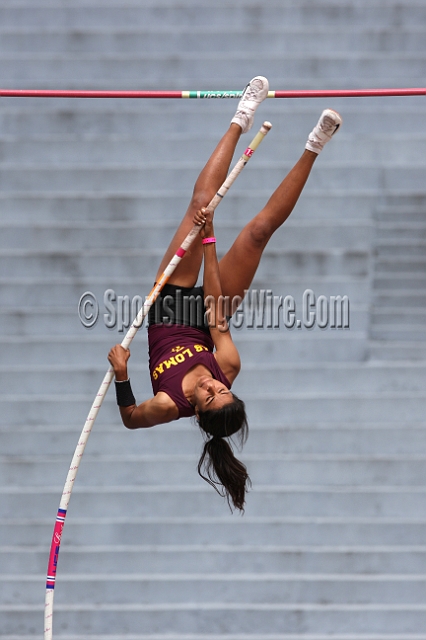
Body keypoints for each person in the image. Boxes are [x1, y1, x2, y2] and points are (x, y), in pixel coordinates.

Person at [108, 76, 342, 511]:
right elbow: (216, 312)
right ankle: (315, 143)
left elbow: (129, 420)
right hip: (208, 316)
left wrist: (122, 376)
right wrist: (210, 241)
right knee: (255, 234)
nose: (216, 385)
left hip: (169, 309)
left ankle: (240, 116)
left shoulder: (166, 404)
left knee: (201, 200)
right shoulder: (228, 364)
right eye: (225, 389)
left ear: (197, 413)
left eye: (212, 394)